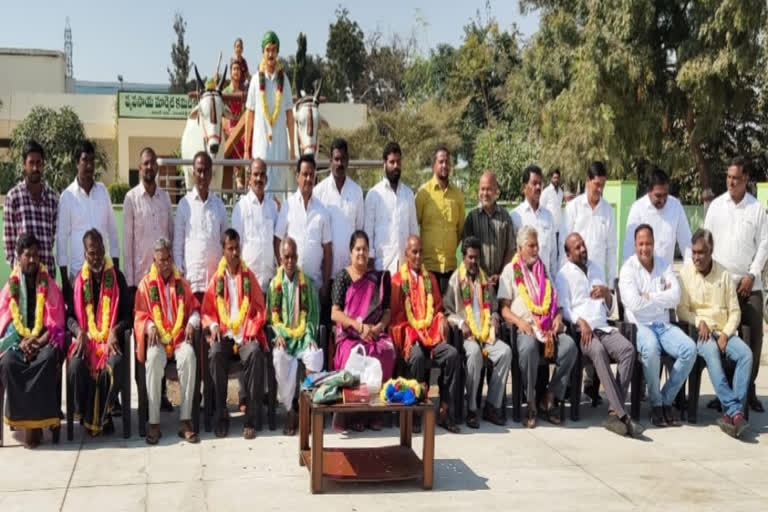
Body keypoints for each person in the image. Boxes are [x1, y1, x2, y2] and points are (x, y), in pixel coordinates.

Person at [556, 232, 644, 437]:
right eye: (577, 247)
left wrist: (607, 294)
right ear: (568, 254)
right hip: (583, 332)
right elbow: (564, 308)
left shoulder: (596, 268)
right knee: (598, 351)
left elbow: (610, 307)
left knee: (628, 350)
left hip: (603, 327)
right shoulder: (563, 275)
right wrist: (580, 321)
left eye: (583, 245)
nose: (582, 249)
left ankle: (614, 411)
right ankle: (623, 415)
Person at [704, 156, 768, 413]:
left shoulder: (757, 209)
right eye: (728, 177)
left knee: (752, 341)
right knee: (724, 340)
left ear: (746, 180)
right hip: (722, 286)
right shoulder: (716, 207)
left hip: (749, 285)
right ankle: (726, 394)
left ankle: (748, 391)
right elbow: (707, 242)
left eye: (736, 178)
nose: (730, 182)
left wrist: (751, 275)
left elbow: (764, 245)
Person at [499, 226, 577, 429]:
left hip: (549, 329)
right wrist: (519, 322)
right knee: (528, 348)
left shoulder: (544, 270)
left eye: (537, 246)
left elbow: (557, 304)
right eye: (531, 246)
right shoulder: (510, 270)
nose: (535, 250)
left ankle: (550, 397)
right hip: (526, 328)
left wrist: (558, 318)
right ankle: (531, 402)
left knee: (569, 346)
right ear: (519, 247)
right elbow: (504, 309)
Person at [618, 224, 695, 427]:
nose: (645, 248)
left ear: (654, 244)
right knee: (651, 349)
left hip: (663, 325)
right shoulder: (628, 269)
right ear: (635, 245)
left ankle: (664, 400)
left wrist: (649, 296)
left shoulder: (664, 265)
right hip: (640, 326)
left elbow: (676, 296)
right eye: (641, 244)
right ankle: (656, 403)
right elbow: (633, 303)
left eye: (649, 243)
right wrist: (663, 297)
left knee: (690, 349)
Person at [677, 229, 752, 438]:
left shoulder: (724, 274)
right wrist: (699, 321)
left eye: (701, 252)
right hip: (701, 334)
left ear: (711, 252)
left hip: (724, 332)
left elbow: (735, 311)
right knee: (711, 353)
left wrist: (727, 334)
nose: (696, 257)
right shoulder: (685, 274)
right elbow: (681, 310)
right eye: (694, 252)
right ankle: (736, 411)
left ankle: (730, 415)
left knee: (746, 354)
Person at [0, 234, 66, 448]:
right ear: (18, 257)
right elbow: (5, 319)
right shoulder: (11, 285)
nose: (31, 260)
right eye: (27, 255)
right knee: (9, 362)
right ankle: (26, 423)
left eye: (35, 255)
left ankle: (37, 425)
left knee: (47, 359)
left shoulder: (48, 283)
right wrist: (21, 342)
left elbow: (56, 323)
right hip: (17, 342)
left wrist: (38, 341)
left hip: (42, 342)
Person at [133, 238, 202, 444]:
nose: (165, 263)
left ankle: (186, 420)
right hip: (158, 341)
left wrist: (191, 322)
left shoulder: (181, 283)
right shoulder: (146, 285)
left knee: (189, 356)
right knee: (152, 359)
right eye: (161, 260)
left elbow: (195, 309)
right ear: (154, 260)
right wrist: (150, 326)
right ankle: (154, 423)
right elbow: (139, 314)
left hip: (179, 337)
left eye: (168, 258)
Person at [390, 235, 461, 433]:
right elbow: (396, 317)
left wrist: (441, 319)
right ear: (406, 254)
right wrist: (412, 334)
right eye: (414, 252)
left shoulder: (430, 279)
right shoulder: (397, 280)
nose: (418, 256)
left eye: (421, 251)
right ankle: (414, 412)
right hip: (411, 336)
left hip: (431, 335)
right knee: (417, 356)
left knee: (452, 355)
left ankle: (446, 410)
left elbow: (437, 309)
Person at [201, 229, 267, 439]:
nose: (235, 252)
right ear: (224, 250)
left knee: (256, 353)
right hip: (225, 335)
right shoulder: (216, 279)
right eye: (230, 248)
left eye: (237, 247)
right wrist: (212, 327)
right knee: (214, 354)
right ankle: (221, 414)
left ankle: (251, 418)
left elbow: (259, 308)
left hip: (246, 335)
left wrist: (252, 329)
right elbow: (207, 312)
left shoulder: (249, 277)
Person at [66, 229, 131, 436]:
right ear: (85, 254)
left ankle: (105, 415)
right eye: (91, 253)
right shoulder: (76, 281)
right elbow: (68, 317)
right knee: (76, 365)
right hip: (87, 341)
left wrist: (115, 330)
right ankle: (89, 415)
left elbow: (128, 315)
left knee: (117, 364)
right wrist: (78, 332)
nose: (95, 257)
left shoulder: (117, 277)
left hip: (109, 342)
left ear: (104, 249)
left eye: (99, 251)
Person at [330, 230, 397, 431]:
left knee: (386, 351)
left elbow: (386, 311)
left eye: (365, 249)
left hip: (374, 333)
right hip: (350, 335)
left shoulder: (377, 278)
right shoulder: (343, 276)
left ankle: (374, 413)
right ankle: (354, 415)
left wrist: (378, 328)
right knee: (356, 354)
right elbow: (335, 314)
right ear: (351, 252)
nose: (361, 253)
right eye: (358, 249)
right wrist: (358, 326)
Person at [444, 236, 511, 429]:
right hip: (468, 336)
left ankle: (492, 405)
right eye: (470, 258)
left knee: (505, 352)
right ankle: (472, 408)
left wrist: (496, 318)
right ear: (463, 258)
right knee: (474, 354)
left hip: (487, 333)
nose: (474, 262)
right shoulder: (455, 279)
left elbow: (495, 307)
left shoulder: (484, 278)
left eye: (476, 258)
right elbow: (448, 311)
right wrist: (462, 323)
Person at [268, 238, 323, 436]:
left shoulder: (305, 282)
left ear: (297, 257)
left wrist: (309, 335)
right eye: (286, 257)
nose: (290, 261)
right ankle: (291, 411)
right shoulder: (274, 284)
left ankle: (307, 409)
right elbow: (271, 318)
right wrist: (277, 335)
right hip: (284, 337)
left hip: (302, 337)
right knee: (279, 357)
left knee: (314, 355)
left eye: (293, 257)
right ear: (280, 259)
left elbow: (311, 316)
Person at [57, 140, 119, 301]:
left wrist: (116, 269)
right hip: (78, 275)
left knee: (104, 321)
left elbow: (112, 231)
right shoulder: (67, 196)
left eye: (92, 161)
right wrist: (65, 281)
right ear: (77, 162)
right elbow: (61, 238)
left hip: (103, 272)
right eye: (85, 160)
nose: (89, 165)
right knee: (81, 323)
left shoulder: (103, 192)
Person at [274, 155, 332, 316]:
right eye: (304, 174)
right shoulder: (288, 206)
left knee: (312, 331)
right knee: (292, 328)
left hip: (315, 285)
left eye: (311, 175)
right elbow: (277, 240)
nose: (308, 179)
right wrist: (282, 270)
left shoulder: (322, 210)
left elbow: (327, 250)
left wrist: (326, 285)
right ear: (297, 176)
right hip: (291, 285)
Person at [244, 30, 295, 200]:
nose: (270, 54)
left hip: (280, 147)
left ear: (277, 52)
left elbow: (289, 116)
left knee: (279, 196)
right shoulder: (254, 81)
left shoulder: (284, 80)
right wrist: (246, 150)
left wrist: (293, 150)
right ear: (262, 52)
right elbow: (249, 116)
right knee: (259, 191)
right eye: (267, 50)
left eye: (274, 50)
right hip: (261, 146)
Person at [173, 151, 229, 303]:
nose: (203, 175)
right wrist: (179, 274)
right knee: (192, 324)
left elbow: (226, 243)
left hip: (214, 282)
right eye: (199, 171)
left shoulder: (219, 205)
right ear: (193, 173)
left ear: (211, 174)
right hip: (191, 281)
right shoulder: (184, 204)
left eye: (206, 171)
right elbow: (178, 243)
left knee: (213, 325)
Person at [3, 140, 59, 277]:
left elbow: (52, 236)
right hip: (22, 277)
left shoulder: (52, 198)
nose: (35, 168)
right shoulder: (13, 197)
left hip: (47, 274)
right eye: (31, 163)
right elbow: (9, 242)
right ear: (24, 165)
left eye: (38, 163)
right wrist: (17, 269)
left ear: (43, 164)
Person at [415, 146, 465, 296]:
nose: (444, 165)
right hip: (428, 267)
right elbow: (413, 226)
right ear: (433, 165)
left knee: (450, 313)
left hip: (450, 267)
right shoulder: (423, 193)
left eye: (447, 162)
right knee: (429, 313)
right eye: (441, 161)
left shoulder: (457, 196)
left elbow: (460, 230)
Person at [314, 138, 365, 282]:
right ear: (330, 161)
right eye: (336, 159)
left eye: (343, 159)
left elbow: (359, 230)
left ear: (348, 160)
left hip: (351, 274)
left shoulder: (357, 192)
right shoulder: (319, 192)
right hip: (325, 274)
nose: (339, 163)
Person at [123, 147, 174, 291]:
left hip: (164, 277)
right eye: (145, 163)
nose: (149, 167)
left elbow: (172, 236)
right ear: (140, 168)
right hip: (141, 280)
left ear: (157, 167)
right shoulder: (131, 199)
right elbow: (128, 245)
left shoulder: (165, 198)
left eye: (153, 163)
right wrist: (130, 284)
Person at [364, 142, 419, 273]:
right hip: (381, 267)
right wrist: (370, 266)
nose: (396, 166)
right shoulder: (374, 194)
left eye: (398, 162)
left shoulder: (408, 194)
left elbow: (413, 230)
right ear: (384, 163)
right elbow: (368, 233)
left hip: (405, 268)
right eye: (392, 162)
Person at [561, 161, 617, 286]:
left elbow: (611, 249)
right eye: (597, 184)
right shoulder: (573, 208)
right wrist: (563, 279)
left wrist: (612, 283)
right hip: (575, 278)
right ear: (587, 181)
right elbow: (563, 245)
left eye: (602, 185)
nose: (600, 189)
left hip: (598, 279)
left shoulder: (608, 211)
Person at [623, 167, 692, 264]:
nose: (662, 200)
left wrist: (690, 272)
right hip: (642, 274)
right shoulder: (638, 208)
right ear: (649, 191)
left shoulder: (675, 206)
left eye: (665, 195)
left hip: (667, 274)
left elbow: (686, 243)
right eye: (658, 196)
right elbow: (629, 247)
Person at [232, 158, 280, 293]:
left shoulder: (272, 207)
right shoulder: (241, 207)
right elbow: (236, 245)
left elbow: (276, 242)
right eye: (255, 174)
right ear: (249, 177)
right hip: (247, 283)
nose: (259, 178)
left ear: (267, 179)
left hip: (269, 283)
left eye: (262, 175)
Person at [462, 171, 516, 289]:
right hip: (477, 282)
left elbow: (511, 249)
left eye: (489, 189)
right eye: (482, 189)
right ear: (478, 191)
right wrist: (480, 275)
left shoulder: (505, 217)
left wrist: (501, 274)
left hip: (501, 282)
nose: (485, 193)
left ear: (496, 191)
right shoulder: (472, 217)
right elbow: (466, 252)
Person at [510, 165, 558, 277]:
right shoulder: (515, 216)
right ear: (524, 187)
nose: (538, 187)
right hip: (524, 280)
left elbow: (553, 254)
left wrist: (554, 281)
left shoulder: (548, 216)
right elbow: (512, 253)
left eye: (540, 184)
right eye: (534, 183)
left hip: (546, 280)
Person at [223, 59, 248, 188]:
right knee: (237, 137)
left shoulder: (244, 90)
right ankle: (239, 178)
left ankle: (248, 176)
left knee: (249, 137)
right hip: (230, 124)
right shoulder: (226, 91)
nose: (236, 71)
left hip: (242, 124)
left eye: (238, 69)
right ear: (231, 73)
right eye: (234, 69)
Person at [540, 168, 564, 260]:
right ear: (551, 178)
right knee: (548, 253)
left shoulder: (561, 192)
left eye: (557, 178)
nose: (556, 180)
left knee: (558, 254)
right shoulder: (546, 192)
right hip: (549, 227)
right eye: (554, 178)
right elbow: (541, 208)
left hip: (558, 228)